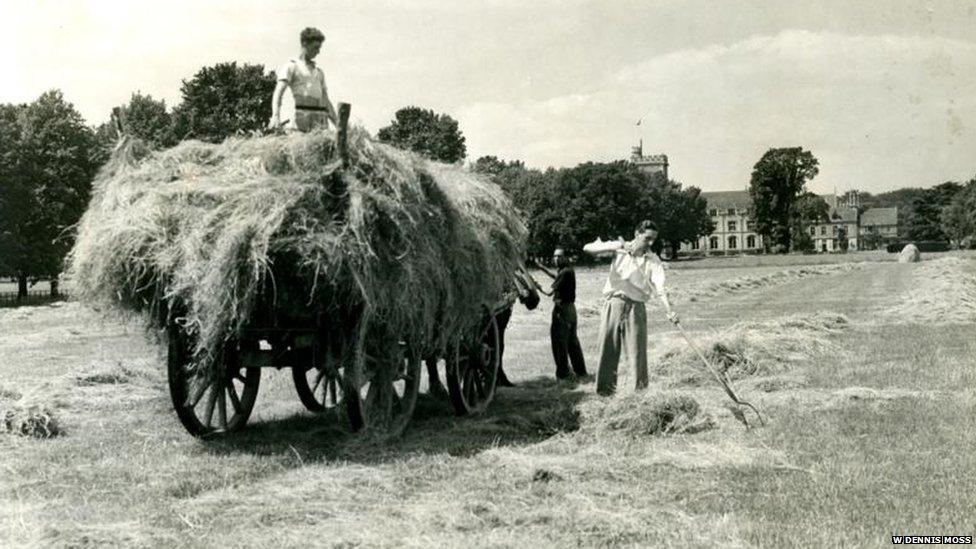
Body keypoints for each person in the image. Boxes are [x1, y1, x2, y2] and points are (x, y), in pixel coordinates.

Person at [582, 220, 678, 396]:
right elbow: (587, 248)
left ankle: (638, 397)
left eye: (653, 239)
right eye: (647, 238)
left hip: (636, 308)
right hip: (614, 303)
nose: (650, 243)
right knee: (607, 349)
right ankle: (604, 394)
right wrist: (620, 245)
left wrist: (669, 310)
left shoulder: (653, 260)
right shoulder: (619, 249)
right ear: (637, 234)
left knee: (636, 354)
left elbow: (660, 288)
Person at [269, 27, 339, 132]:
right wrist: (275, 116)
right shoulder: (292, 66)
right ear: (305, 43)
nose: (318, 51)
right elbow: (278, 92)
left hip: (319, 126)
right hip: (299, 125)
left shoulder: (319, 73)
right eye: (316, 47)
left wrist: (339, 125)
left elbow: (326, 102)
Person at [536, 248, 587, 380]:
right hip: (571, 310)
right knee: (572, 342)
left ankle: (563, 374)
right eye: (554, 257)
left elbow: (549, 292)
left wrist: (535, 286)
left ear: (565, 257)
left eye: (558, 256)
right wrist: (542, 268)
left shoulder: (564, 273)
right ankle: (581, 372)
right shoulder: (567, 271)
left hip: (562, 311)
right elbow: (556, 277)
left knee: (559, 342)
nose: (555, 259)